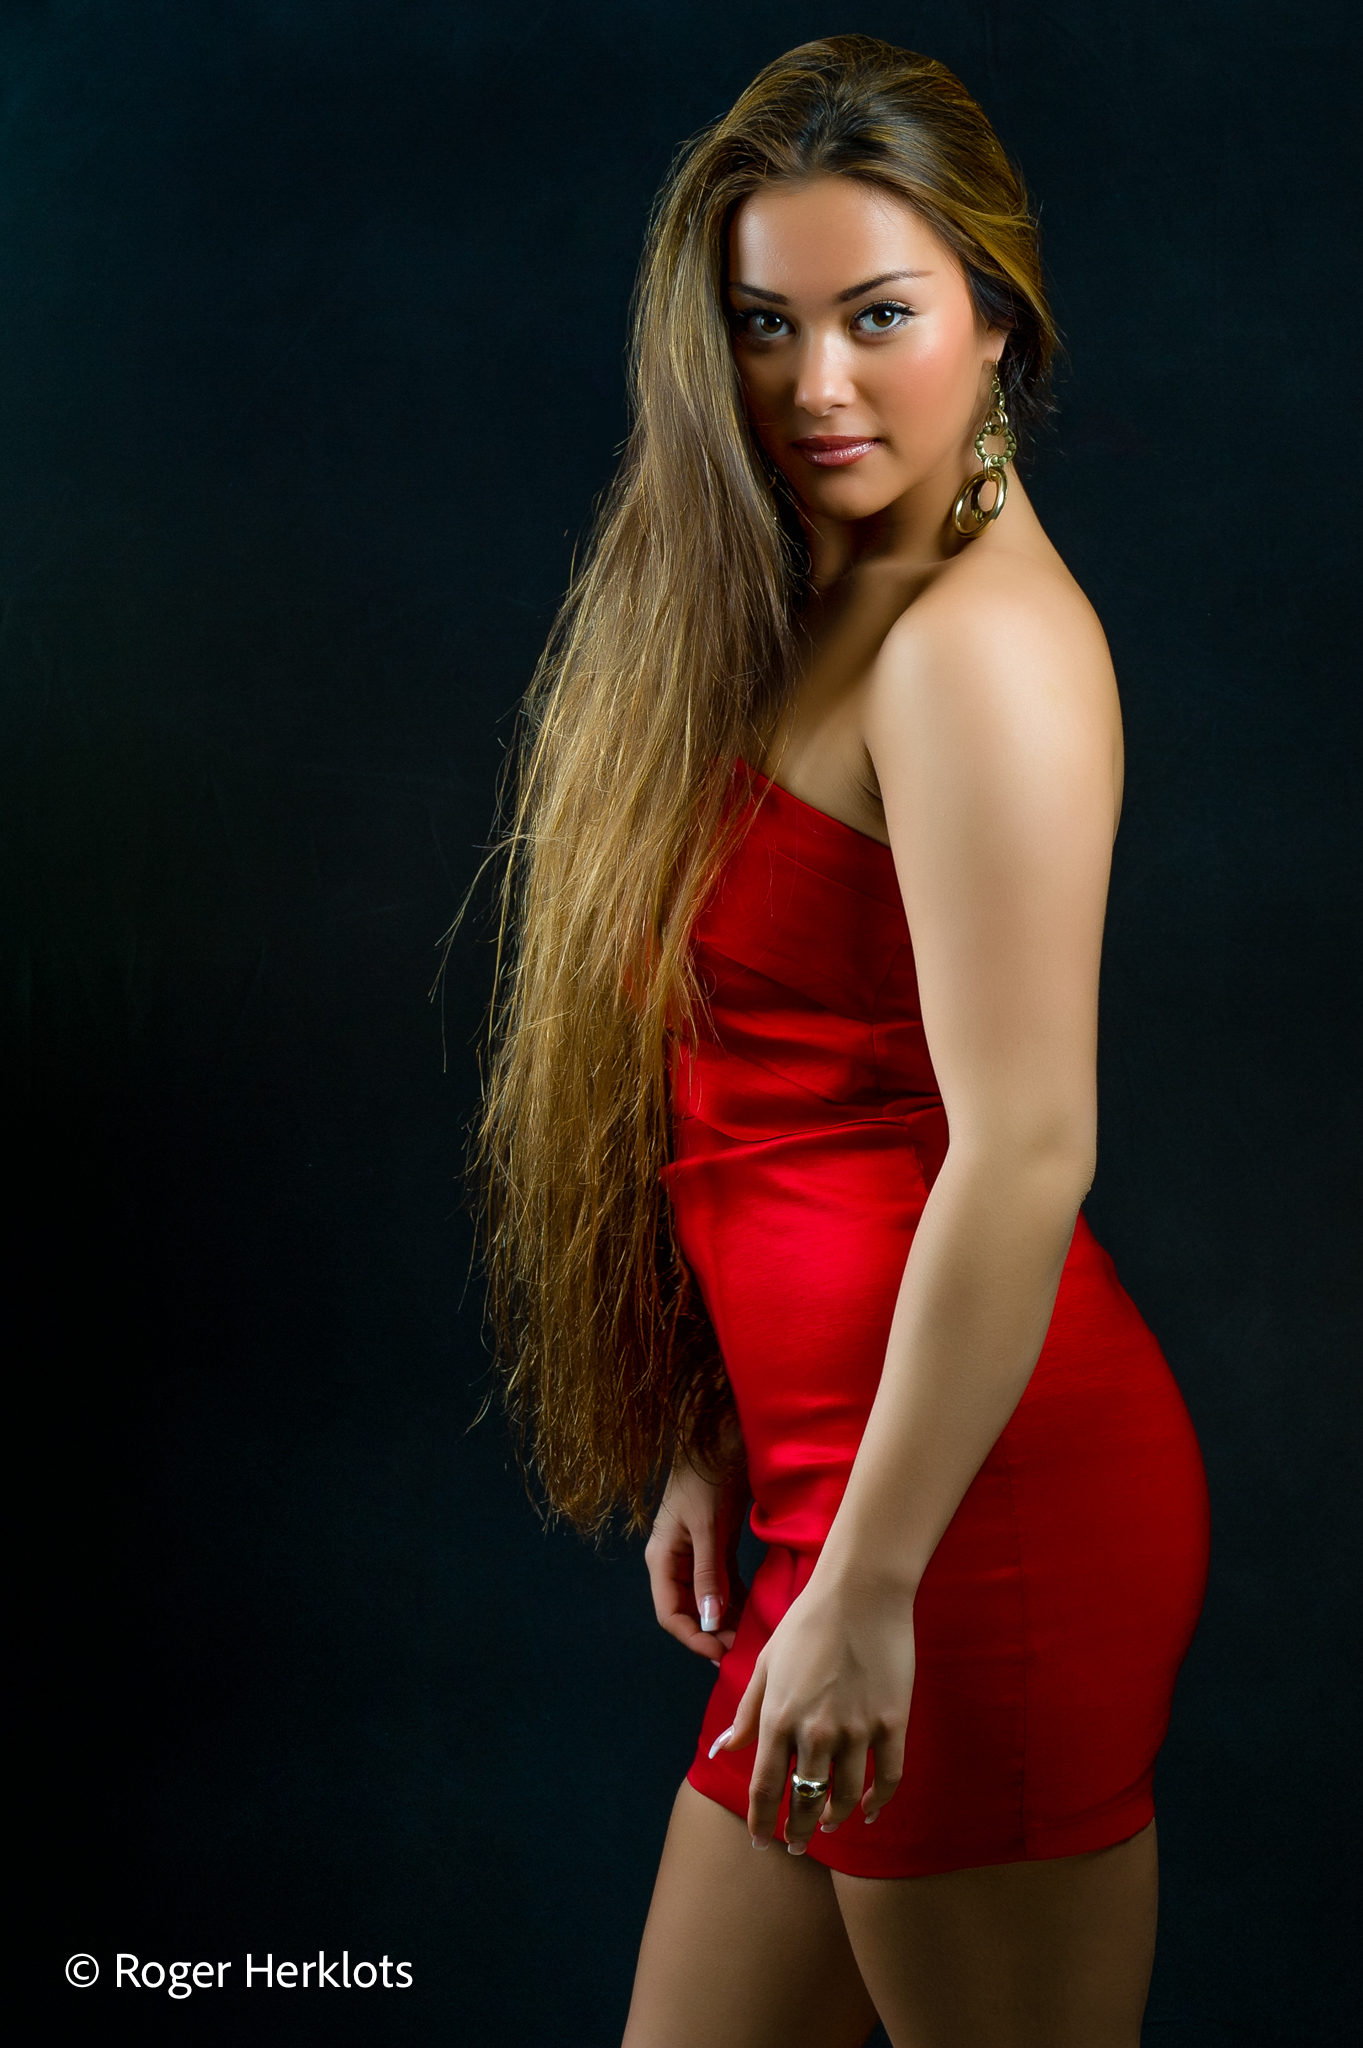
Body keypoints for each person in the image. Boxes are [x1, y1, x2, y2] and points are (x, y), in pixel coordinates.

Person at [475, 36, 1210, 2048]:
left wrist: (870, 1576)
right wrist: (721, 1429)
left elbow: (1023, 1146)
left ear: (997, 321)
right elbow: (786, 1086)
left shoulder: (976, 647)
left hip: (969, 1528)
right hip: (837, 1490)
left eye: (879, 317)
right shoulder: (820, 603)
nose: (814, 386)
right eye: (763, 325)